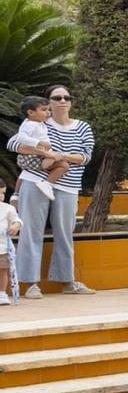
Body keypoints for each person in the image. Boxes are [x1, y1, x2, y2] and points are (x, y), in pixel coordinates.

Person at [8, 93, 92, 298]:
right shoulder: (37, 123)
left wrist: (59, 156)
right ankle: (30, 284)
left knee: (65, 234)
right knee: (30, 231)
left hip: (68, 186)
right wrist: (46, 153)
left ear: (71, 102)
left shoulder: (82, 127)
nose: (62, 100)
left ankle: (67, 281)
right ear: (48, 103)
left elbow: (85, 157)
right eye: (56, 97)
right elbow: (13, 144)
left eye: (67, 97)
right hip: (34, 181)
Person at [0, 183, 17, 304]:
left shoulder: (8, 208)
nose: (1, 196)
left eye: (3, 193)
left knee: (3, 270)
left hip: (3, 247)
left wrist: (15, 226)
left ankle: (2, 293)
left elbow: (16, 220)